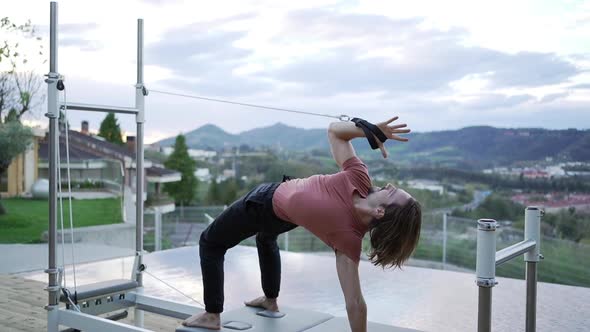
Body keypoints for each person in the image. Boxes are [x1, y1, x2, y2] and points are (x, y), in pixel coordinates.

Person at [183, 116, 422, 332]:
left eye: (393, 193)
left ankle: (212, 314)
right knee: (266, 238)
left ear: (380, 212)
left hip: (263, 203)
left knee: (210, 242)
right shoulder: (359, 177)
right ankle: (270, 299)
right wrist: (370, 131)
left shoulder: (348, 239)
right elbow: (335, 131)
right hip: (286, 215)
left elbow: (355, 303)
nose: (390, 185)